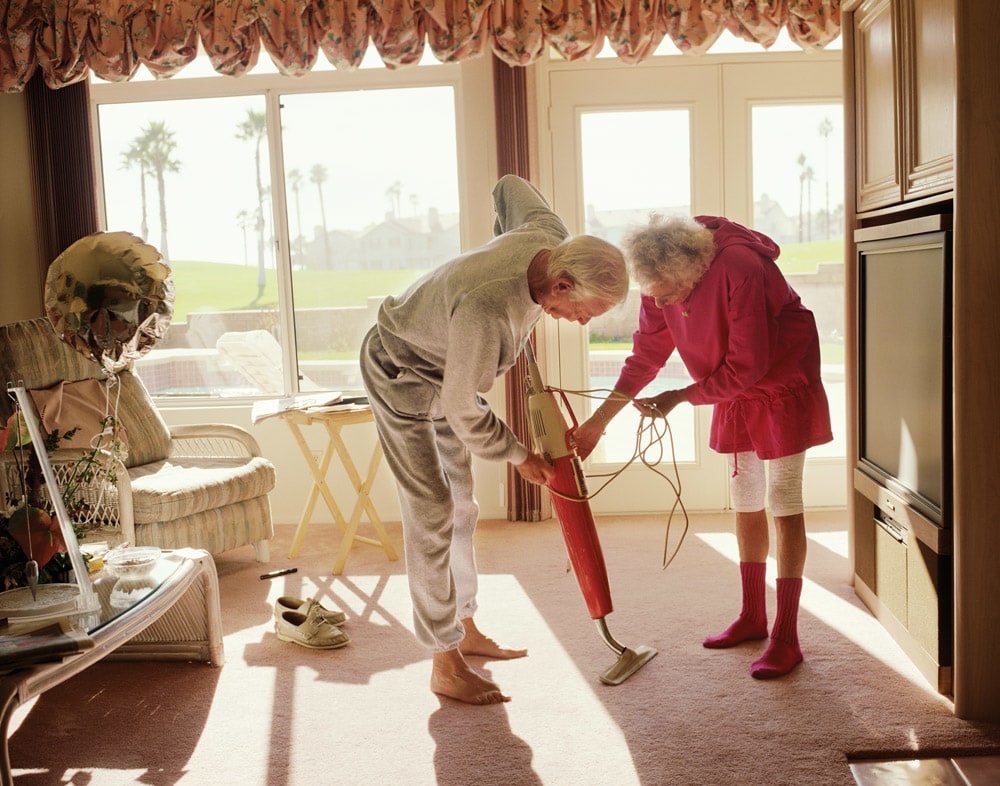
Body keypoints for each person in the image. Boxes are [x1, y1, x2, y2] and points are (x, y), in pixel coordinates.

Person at [359, 174, 628, 705]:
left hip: (447, 369)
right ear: (562, 285)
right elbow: (464, 407)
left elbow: (507, 186)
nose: (577, 324)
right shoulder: (487, 311)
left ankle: (466, 627)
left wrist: (496, 247)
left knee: (463, 507)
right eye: (584, 313)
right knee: (432, 510)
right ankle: (443, 659)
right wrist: (517, 453)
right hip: (400, 372)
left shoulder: (548, 234)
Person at [574, 213, 832, 679]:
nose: (659, 301)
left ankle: (787, 636)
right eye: (651, 293)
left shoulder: (739, 266)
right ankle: (754, 615)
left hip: (780, 377)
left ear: (694, 269)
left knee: (783, 497)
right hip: (730, 382)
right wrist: (597, 425)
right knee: (745, 495)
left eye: (667, 293)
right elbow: (646, 357)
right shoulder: (661, 281)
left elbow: (749, 365)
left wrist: (680, 397)